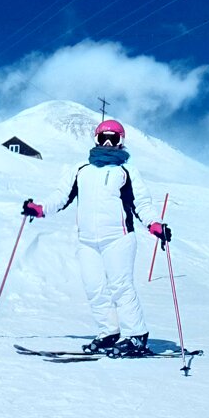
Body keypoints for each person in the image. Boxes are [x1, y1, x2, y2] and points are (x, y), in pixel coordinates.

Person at [21, 119, 171, 356]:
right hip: (87, 240)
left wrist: (154, 224)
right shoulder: (81, 169)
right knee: (94, 288)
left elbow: (141, 203)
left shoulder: (127, 171)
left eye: (114, 138)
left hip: (118, 238)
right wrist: (39, 209)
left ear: (121, 141)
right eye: (104, 138)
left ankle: (136, 335)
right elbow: (61, 196)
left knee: (120, 286)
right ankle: (109, 332)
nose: (108, 143)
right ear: (96, 139)